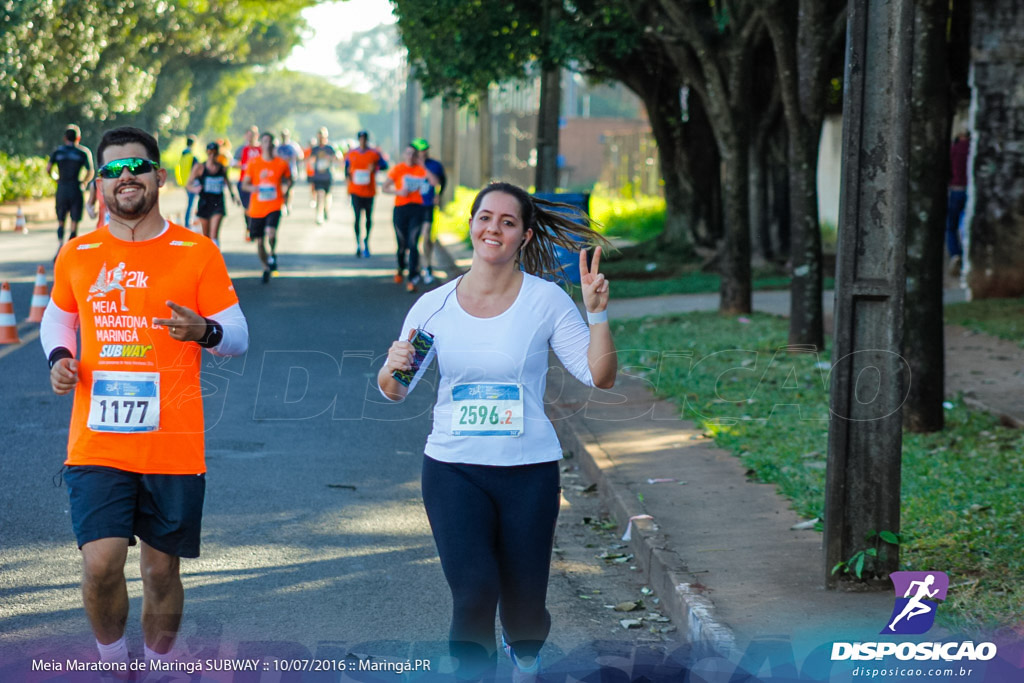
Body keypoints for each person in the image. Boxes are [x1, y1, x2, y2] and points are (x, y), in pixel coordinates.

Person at [377, 182, 617, 682]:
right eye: (485, 217)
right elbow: (395, 389)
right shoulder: (433, 306)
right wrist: (391, 366)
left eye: (507, 222)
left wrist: (597, 313)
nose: (494, 229)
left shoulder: (546, 301)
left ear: (524, 236)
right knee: (473, 593)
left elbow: (599, 374)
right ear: (470, 224)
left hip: (528, 472)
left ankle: (524, 654)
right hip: (452, 468)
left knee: (525, 612)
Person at [40, 126, 248, 671]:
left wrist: (204, 330)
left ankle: (163, 663)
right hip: (96, 442)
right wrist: (60, 358)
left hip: (172, 444)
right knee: (102, 565)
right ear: (98, 185)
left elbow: (237, 334)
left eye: (136, 167)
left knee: (161, 573)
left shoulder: (196, 251)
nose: (124, 178)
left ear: (159, 175)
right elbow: (58, 317)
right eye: (110, 170)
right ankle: (111, 663)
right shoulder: (78, 253)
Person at [382, 144, 439, 292]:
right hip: (401, 208)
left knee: (413, 243)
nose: (410, 157)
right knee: (402, 244)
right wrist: (399, 191)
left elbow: (434, 182)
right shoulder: (398, 169)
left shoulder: (420, 170)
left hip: (417, 209)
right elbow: (384, 188)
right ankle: (401, 267)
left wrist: (423, 166)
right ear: (404, 155)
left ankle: (412, 278)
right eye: (408, 154)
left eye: (413, 154)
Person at [243, 132, 293, 283]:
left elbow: (289, 180)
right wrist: (255, 189)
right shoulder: (254, 163)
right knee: (259, 241)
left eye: (270, 142)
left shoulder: (281, 163)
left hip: (274, 204)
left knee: (271, 233)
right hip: (257, 207)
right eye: (264, 142)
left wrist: (285, 190)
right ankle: (265, 267)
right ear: (261, 144)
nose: (267, 145)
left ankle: (272, 253)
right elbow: (245, 184)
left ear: (273, 145)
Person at [46, 124, 94, 252]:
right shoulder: (83, 152)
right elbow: (90, 171)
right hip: (75, 188)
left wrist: (56, 178)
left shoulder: (58, 151)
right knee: (74, 221)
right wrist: (83, 182)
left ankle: (60, 243)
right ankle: (70, 248)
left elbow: (48, 169)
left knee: (61, 220)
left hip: (62, 187)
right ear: (78, 138)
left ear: (64, 138)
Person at [186, 141, 240, 247]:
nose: (212, 155)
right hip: (204, 202)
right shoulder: (200, 167)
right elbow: (188, 184)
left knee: (214, 234)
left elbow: (228, 184)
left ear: (217, 154)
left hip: (218, 203)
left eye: (214, 153)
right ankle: (208, 258)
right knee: (206, 237)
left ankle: (216, 256)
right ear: (206, 152)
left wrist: (234, 196)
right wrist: (195, 189)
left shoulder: (222, 168)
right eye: (210, 152)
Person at [344, 130, 388, 258]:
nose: (363, 141)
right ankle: (358, 243)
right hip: (355, 190)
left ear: (367, 139)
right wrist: (348, 183)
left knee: (369, 218)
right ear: (358, 139)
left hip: (369, 191)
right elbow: (347, 169)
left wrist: (375, 168)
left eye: (364, 138)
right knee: (357, 217)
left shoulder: (374, 153)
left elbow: (384, 165)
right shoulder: (352, 153)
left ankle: (366, 240)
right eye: (361, 138)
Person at [411, 138, 447, 283]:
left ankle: (427, 265)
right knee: (413, 238)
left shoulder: (434, 165)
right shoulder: (409, 165)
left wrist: (439, 195)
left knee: (426, 236)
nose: (423, 152)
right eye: (420, 150)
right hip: (413, 205)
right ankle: (416, 266)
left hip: (427, 205)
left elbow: (442, 181)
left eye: (425, 149)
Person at [946, 130, 970, 277]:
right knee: (967, 225)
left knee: (951, 226)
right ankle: (967, 252)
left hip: (956, 190)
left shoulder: (954, 149)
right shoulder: (973, 149)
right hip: (970, 190)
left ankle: (955, 253)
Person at [232, 126, 262, 239]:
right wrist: (241, 165)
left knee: (257, 206)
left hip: (258, 183)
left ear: (257, 136)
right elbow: (233, 163)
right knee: (247, 208)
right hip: (244, 182)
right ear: (245, 136)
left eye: (253, 135)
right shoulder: (241, 149)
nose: (250, 137)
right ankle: (249, 228)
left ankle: (256, 229)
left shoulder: (261, 149)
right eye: (249, 135)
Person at [308, 127, 338, 224]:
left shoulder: (330, 148)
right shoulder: (315, 149)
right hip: (318, 176)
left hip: (328, 176)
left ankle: (326, 210)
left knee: (327, 196)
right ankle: (319, 215)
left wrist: (331, 158)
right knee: (319, 195)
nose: (321, 138)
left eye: (323, 136)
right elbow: (310, 160)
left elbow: (338, 157)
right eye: (319, 136)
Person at [275, 129, 304, 215]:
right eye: (282, 135)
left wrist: (292, 158)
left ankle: (288, 204)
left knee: (289, 189)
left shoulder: (293, 146)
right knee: (282, 189)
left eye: (285, 135)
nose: (284, 137)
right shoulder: (278, 147)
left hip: (291, 170)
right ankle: (283, 205)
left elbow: (300, 156)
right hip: (281, 171)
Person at [175, 136, 199, 227]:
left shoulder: (182, 156)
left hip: (184, 182)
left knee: (190, 202)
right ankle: (187, 222)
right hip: (192, 183)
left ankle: (188, 221)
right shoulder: (192, 157)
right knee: (191, 203)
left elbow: (179, 169)